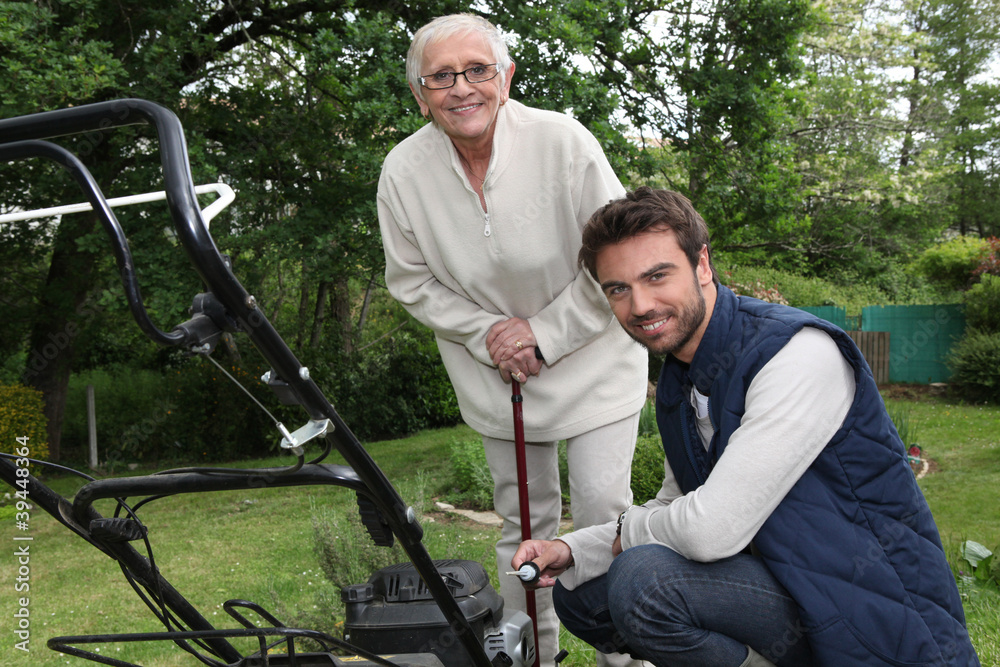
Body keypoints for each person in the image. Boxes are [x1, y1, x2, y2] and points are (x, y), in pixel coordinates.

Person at [513, 187, 980, 667]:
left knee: (644, 580)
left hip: (872, 611)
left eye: (657, 276)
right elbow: (677, 504)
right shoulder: (681, 377)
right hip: (790, 589)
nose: (641, 305)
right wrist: (573, 548)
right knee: (581, 591)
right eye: (619, 289)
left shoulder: (797, 354)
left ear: (702, 266)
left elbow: (710, 531)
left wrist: (627, 534)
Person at [376, 14, 649, 666]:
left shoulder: (564, 143)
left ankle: (627, 655)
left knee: (602, 515)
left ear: (507, 77)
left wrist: (544, 333)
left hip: (593, 361)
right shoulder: (402, 172)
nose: (461, 87)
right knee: (521, 527)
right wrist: (487, 334)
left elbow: (618, 256)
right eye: (440, 76)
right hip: (497, 374)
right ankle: (532, 657)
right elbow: (410, 281)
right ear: (419, 94)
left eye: (477, 70)